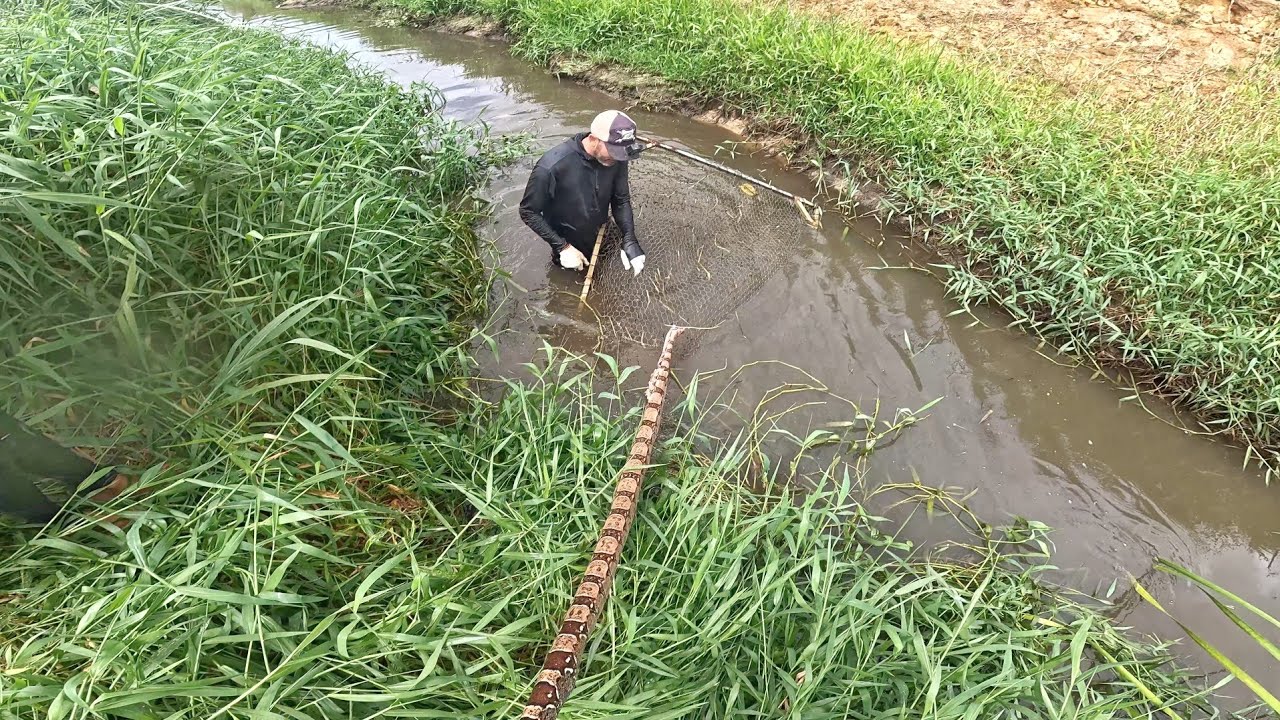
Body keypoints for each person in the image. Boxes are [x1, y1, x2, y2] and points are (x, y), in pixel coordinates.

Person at [519, 110, 647, 275]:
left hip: (602, 232)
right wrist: (562, 247)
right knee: (568, 282)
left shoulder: (616, 158)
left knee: (604, 274)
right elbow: (528, 211)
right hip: (569, 244)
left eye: (621, 154)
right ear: (594, 139)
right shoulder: (551, 166)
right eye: (613, 152)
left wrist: (629, 238)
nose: (617, 158)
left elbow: (620, 200)